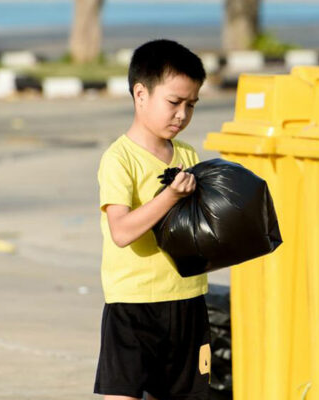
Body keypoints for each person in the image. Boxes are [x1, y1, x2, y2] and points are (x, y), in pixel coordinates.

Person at [93, 39, 211, 400]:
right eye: (174, 102)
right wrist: (171, 195)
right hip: (134, 303)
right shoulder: (120, 159)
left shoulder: (188, 154)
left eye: (191, 105)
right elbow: (122, 231)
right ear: (140, 94)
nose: (182, 114)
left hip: (189, 298)